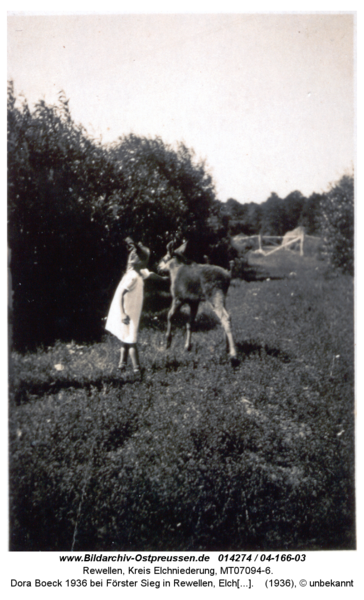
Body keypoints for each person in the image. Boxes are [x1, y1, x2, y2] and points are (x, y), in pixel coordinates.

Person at [105, 238, 165, 381]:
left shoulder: (139, 272)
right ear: (140, 261)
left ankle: (121, 365)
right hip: (127, 312)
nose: (147, 263)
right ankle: (137, 370)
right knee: (131, 340)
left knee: (126, 339)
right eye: (146, 260)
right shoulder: (132, 277)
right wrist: (122, 313)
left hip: (133, 310)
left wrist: (164, 279)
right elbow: (120, 294)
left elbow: (150, 275)